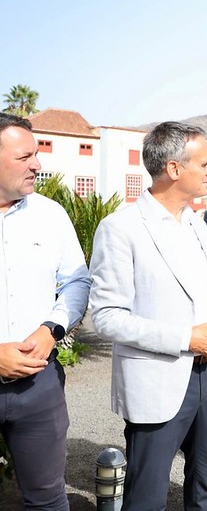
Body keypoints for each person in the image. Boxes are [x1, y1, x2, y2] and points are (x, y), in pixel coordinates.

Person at [89, 121, 207, 510]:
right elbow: (105, 316)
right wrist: (185, 338)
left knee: (206, 488)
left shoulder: (196, 222)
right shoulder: (120, 229)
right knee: (146, 499)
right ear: (175, 169)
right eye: (205, 163)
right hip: (157, 382)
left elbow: (203, 298)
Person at [0, 112, 91, 509]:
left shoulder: (50, 215)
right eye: (25, 157)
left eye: (35, 154)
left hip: (39, 388)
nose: (37, 164)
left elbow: (76, 282)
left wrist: (51, 329)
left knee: (48, 498)